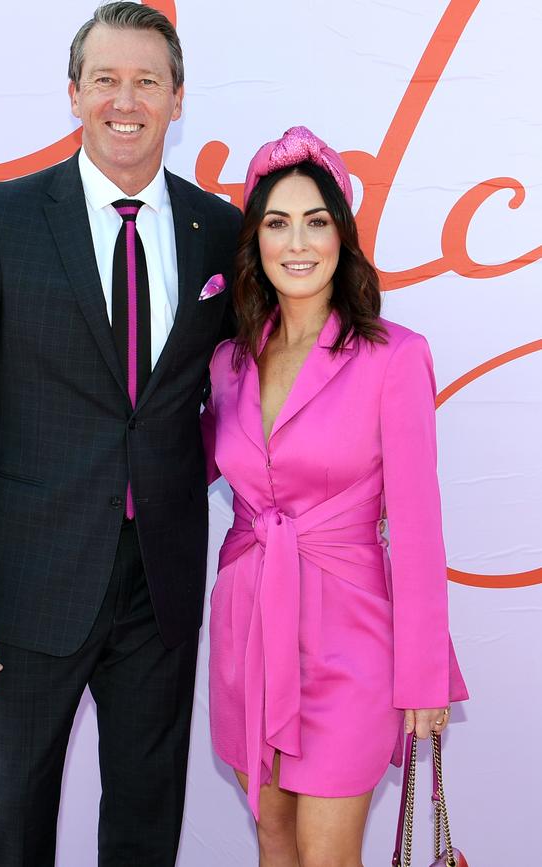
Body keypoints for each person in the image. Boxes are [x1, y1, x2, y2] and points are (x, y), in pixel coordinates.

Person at [0, 3, 241, 865]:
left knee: (145, 820)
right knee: (14, 820)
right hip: (28, 584)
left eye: (146, 81)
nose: (124, 99)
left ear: (177, 99)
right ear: (73, 94)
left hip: (160, 586)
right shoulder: (0, 219)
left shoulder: (222, 232)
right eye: (105, 79)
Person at [201, 126, 468, 867]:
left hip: (352, 638)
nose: (298, 242)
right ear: (254, 241)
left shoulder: (395, 355)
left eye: (316, 221)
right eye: (277, 223)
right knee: (275, 837)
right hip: (249, 627)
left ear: (343, 237)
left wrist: (423, 677)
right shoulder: (227, 360)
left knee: (327, 852)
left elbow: (416, 526)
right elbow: (172, 467)